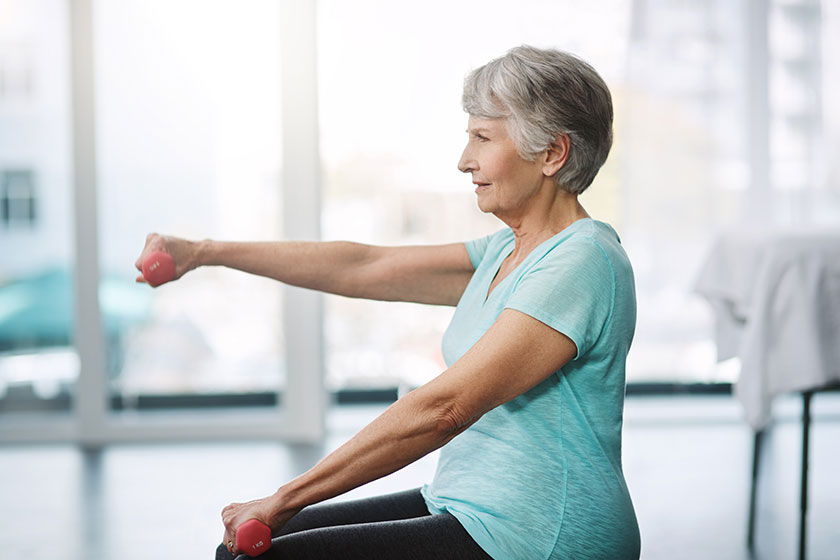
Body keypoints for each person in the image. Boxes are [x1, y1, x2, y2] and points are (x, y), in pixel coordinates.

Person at [136, 45, 640, 560]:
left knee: (262, 555)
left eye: (482, 138)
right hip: (467, 506)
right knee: (243, 552)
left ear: (553, 154)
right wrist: (204, 253)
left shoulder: (583, 262)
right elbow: (362, 266)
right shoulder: (507, 250)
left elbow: (446, 408)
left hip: (539, 536)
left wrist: (284, 499)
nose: (464, 160)